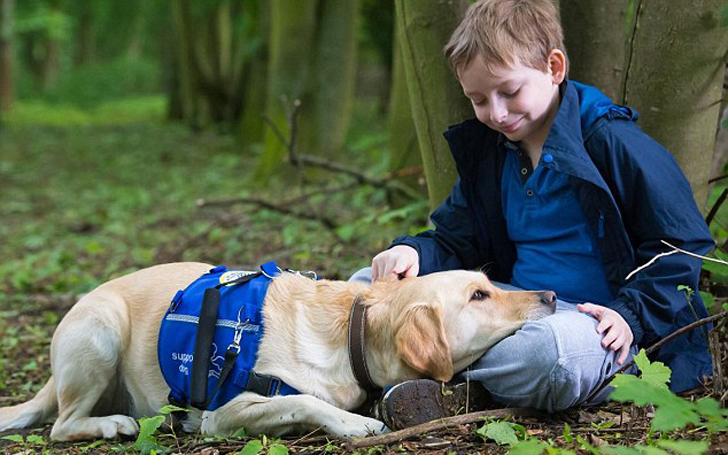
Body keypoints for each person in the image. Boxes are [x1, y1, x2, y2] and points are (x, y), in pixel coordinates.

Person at [350, 0, 714, 429]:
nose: (497, 113)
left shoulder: (612, 142)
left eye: (509, 91)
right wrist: (415, 253)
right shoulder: (493, 154)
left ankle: (432, 383)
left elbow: (681, 245)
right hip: (512, 307)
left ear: (554, 68)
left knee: (547, 355)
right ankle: (424, 378)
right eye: (479, 100)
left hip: (598, 327)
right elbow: (455, 239)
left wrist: (631, 313)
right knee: (369, 286)